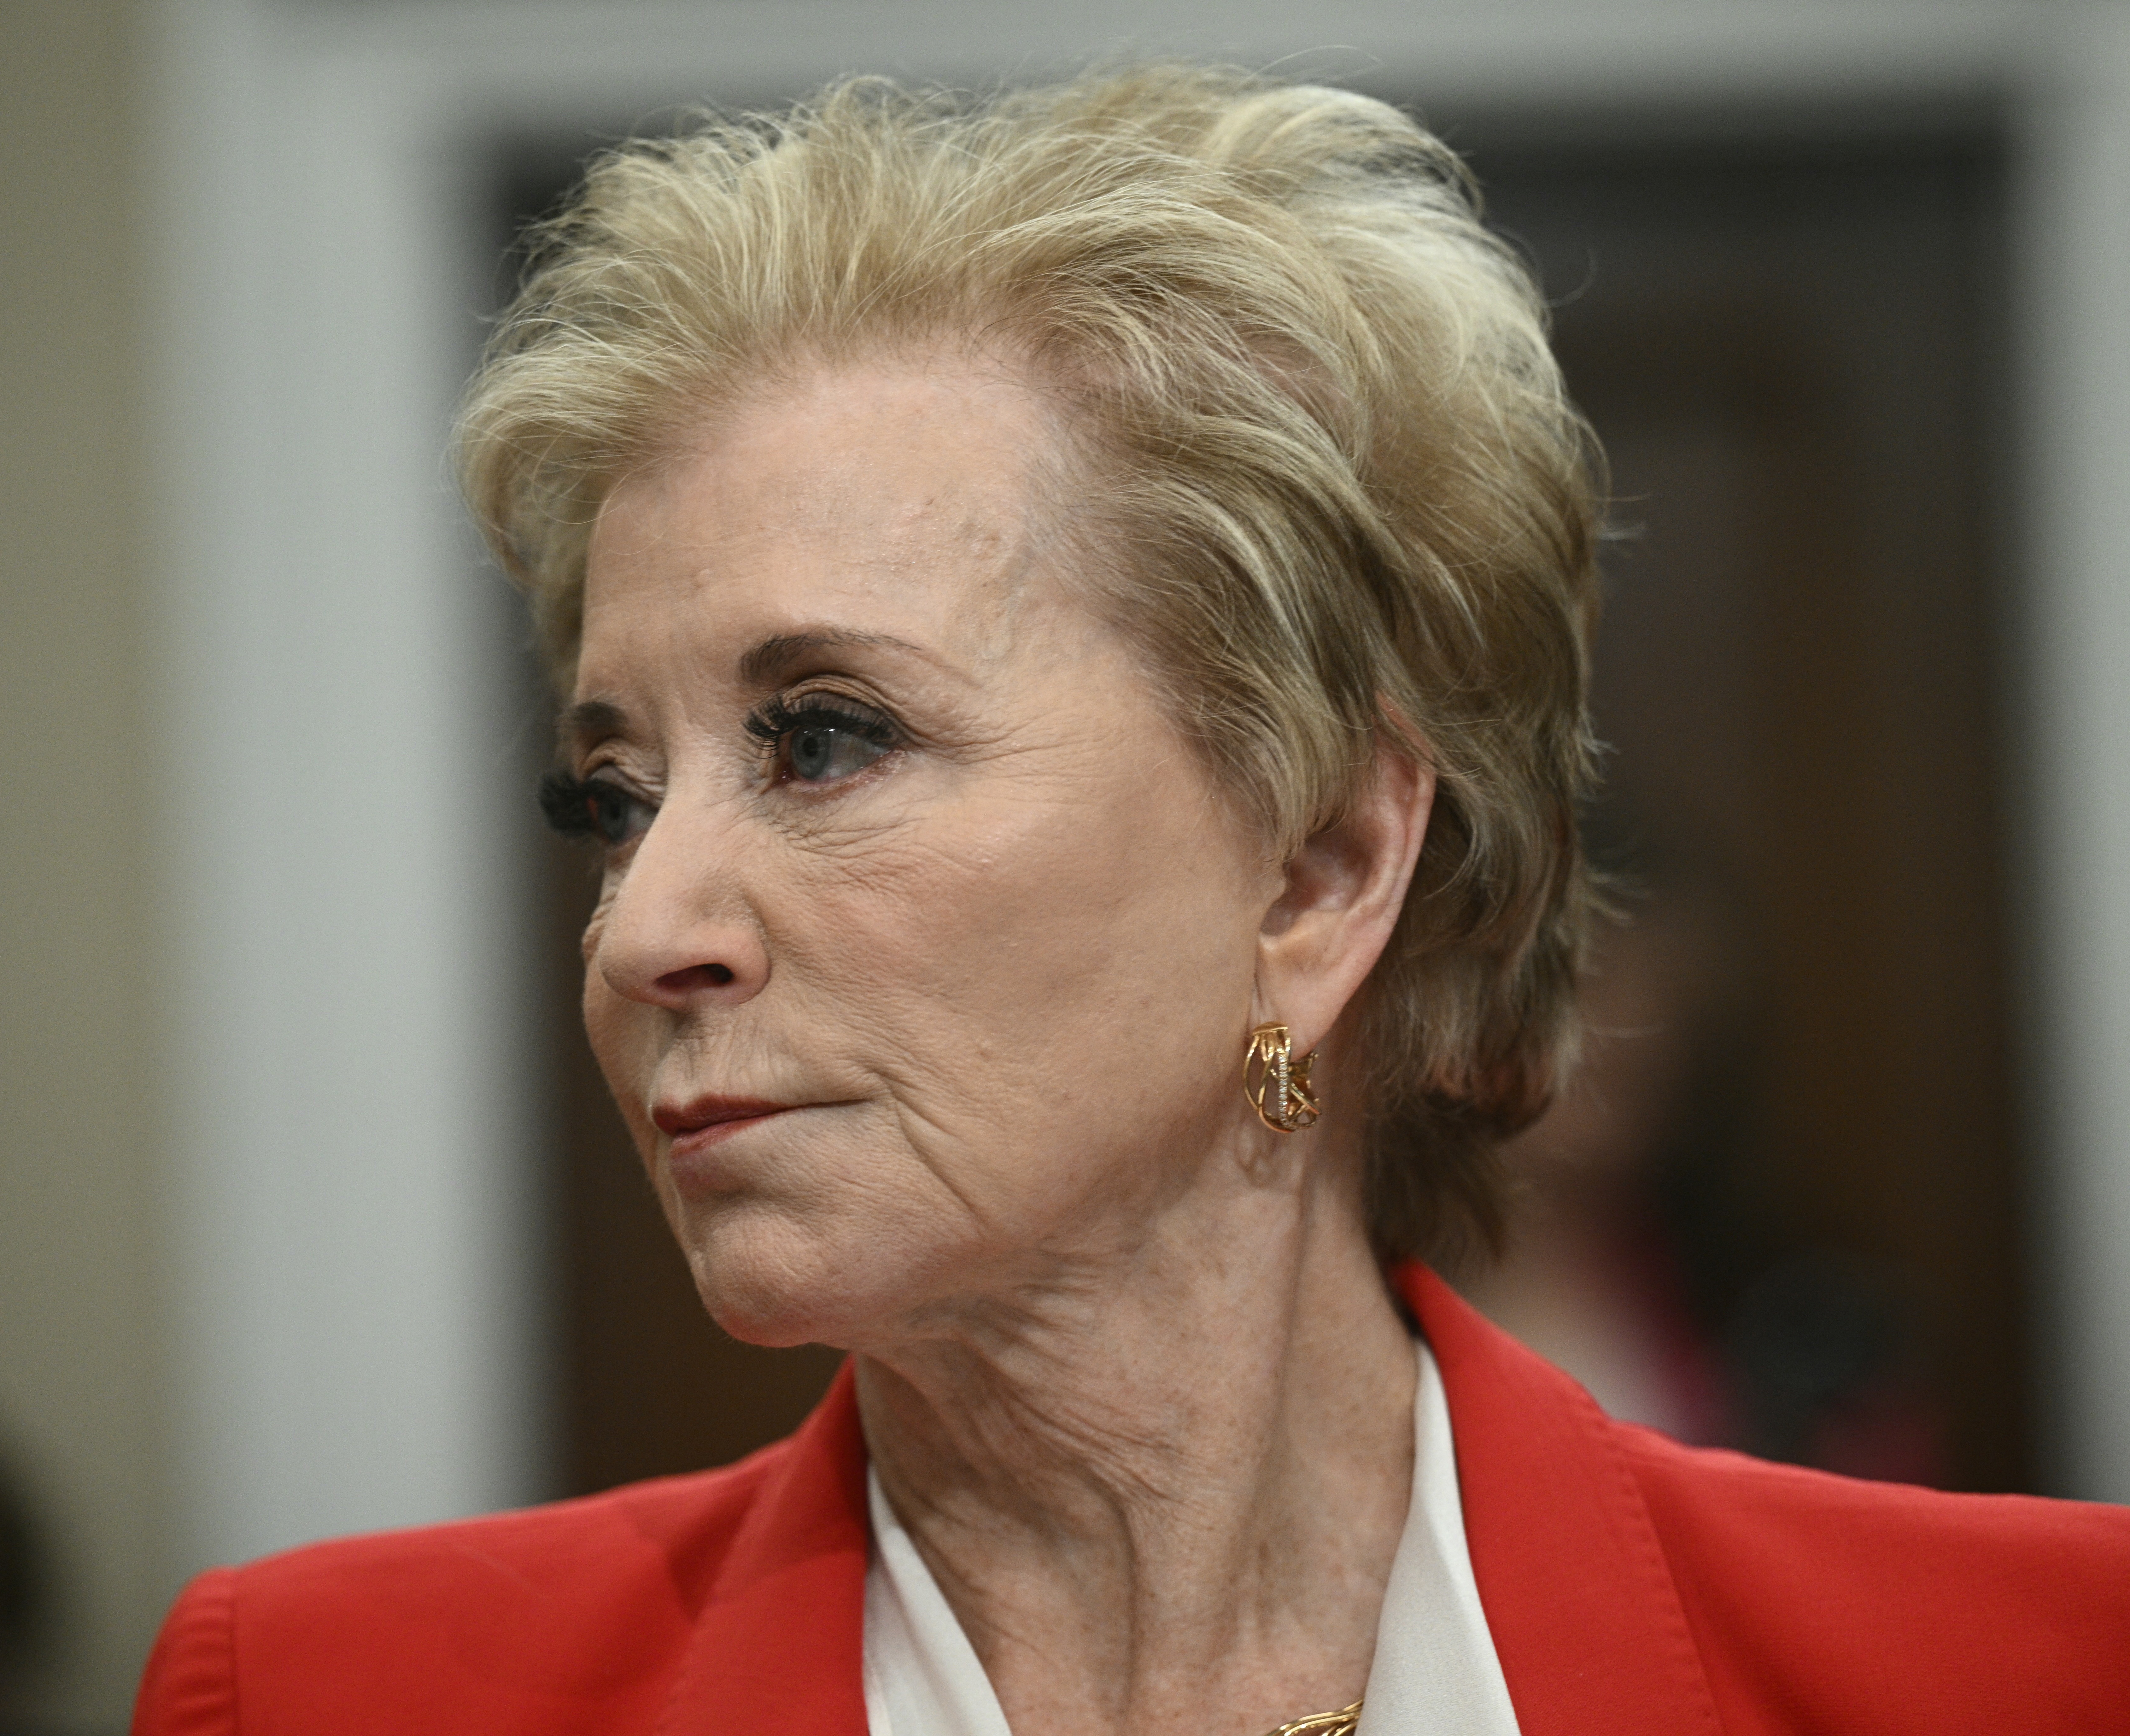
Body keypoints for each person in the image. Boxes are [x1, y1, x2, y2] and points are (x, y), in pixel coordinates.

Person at [134, 66, 2130, 1735]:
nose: (646, 932)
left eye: (825, 739)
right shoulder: (329, 1694)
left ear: (1321, 869)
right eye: (610, 793)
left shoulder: (2032, 1673)